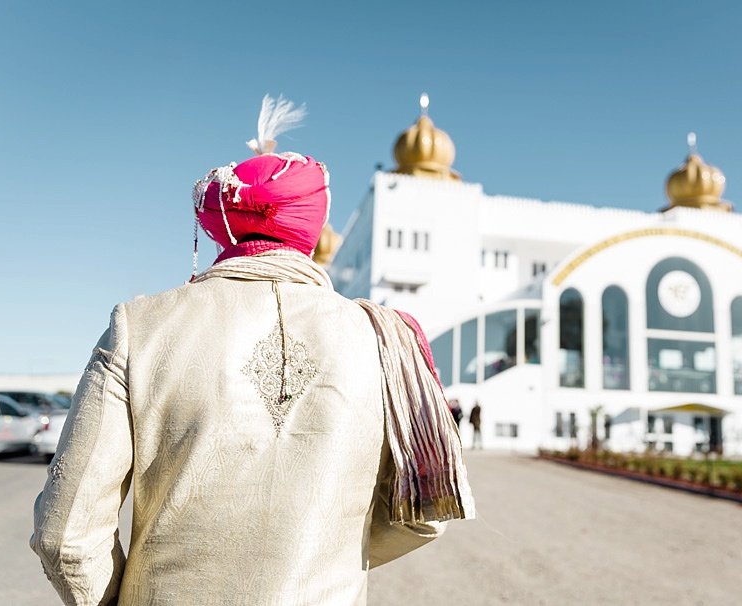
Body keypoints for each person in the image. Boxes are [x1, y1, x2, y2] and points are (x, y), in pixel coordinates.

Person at [30, 95, 474, 606]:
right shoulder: (389, 340)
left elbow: (65, 536)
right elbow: (427, 512)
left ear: (223, 225)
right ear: (311, 228)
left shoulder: (140, 326)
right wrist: (321, 561)